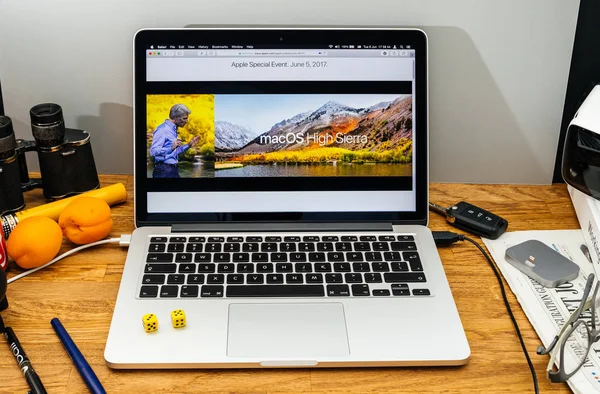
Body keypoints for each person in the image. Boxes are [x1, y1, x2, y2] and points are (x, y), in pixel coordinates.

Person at [150, 104, 200, 178]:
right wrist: (170, 148)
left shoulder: (173, 130)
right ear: (175, 117)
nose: (187, 121)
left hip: (173, 170)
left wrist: (189, 145)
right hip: (163, 171)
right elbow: (153, 151)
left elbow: (174, 152)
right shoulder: (162, 129)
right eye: (184, 118)